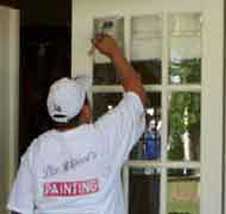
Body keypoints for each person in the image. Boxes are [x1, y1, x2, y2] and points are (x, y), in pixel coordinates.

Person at [7, 35, 147, 214]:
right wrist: (114, 52)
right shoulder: (104, 138)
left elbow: (19, 210)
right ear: (86, 112)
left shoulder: (37, 150)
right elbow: (137, 93)